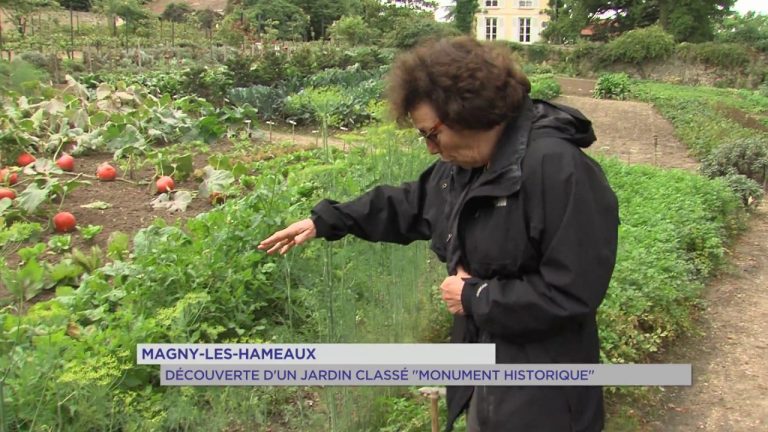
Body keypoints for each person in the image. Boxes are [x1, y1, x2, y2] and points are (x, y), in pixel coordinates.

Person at [258, 36, 619, 432]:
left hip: (545, 398)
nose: (431, 148)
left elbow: (571, 293)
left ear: (471, 112)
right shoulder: (464, 169)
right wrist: (328, 220)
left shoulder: (558, 170)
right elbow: (411, 203)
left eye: (433, 133)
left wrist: (474, 296)